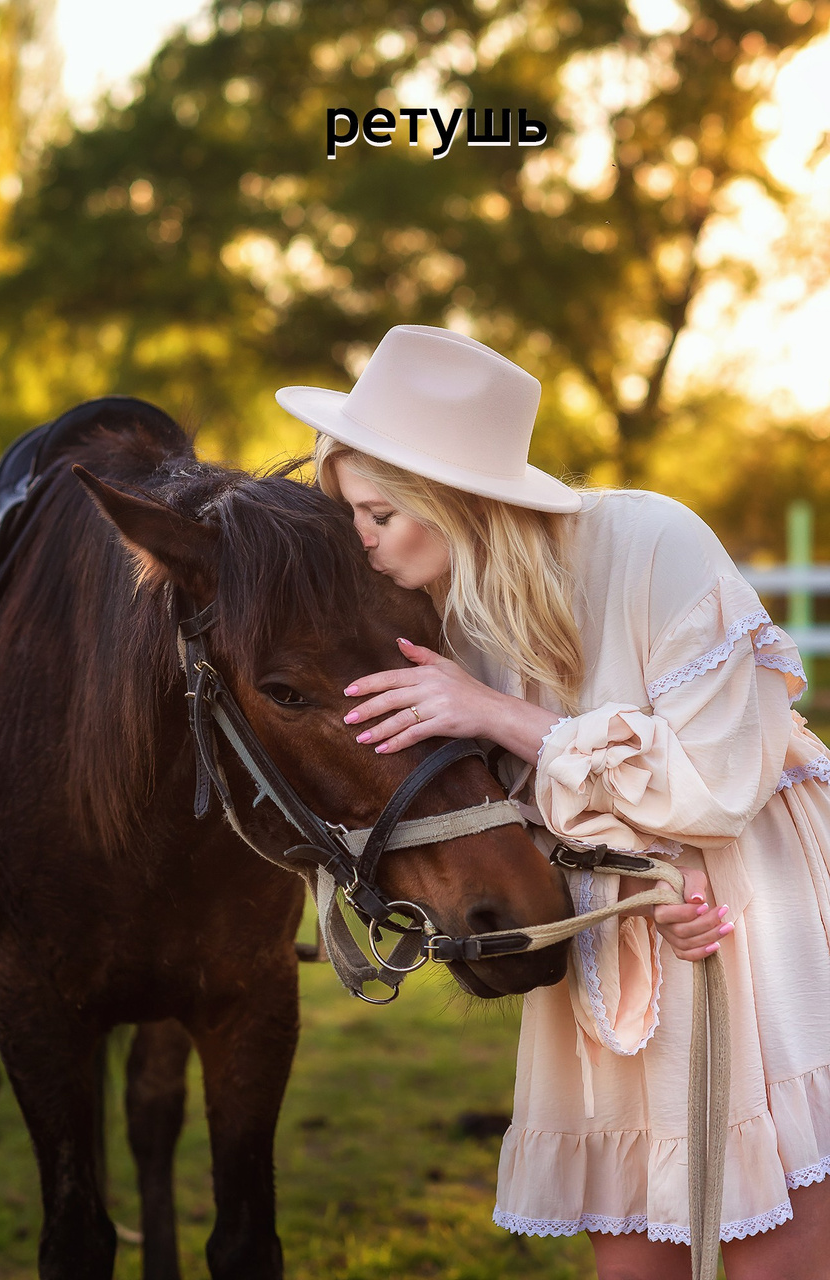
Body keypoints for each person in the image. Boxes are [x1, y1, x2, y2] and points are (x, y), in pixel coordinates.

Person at [281, 324, 830, 1278]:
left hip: (748, 903)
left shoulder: (653, 541)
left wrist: (493, 712)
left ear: (443, 499)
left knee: (776, 1248)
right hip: (613, 913)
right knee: (628, 1253)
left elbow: (715, 785)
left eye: (374, 513)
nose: (360, 541)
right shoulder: (442, 607)